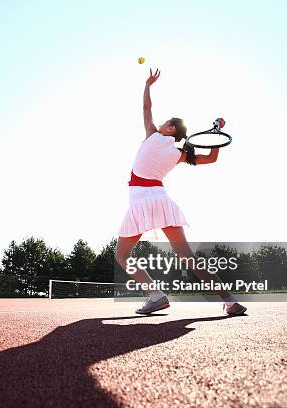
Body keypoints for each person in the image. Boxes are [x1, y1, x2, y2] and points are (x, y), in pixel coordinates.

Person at [114, 68, 247, 316]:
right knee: (188, 257)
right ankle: (230, 300)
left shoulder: (152, 135)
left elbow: (146, 109)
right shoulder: (180, 154)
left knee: (122, 256)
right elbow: (212, 158)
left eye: (166, 122)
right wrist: (217, 133)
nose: (161, 123)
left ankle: (155, 294)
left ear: (171, 128)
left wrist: (147, 85)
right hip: (162, 201)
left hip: (141, 201)